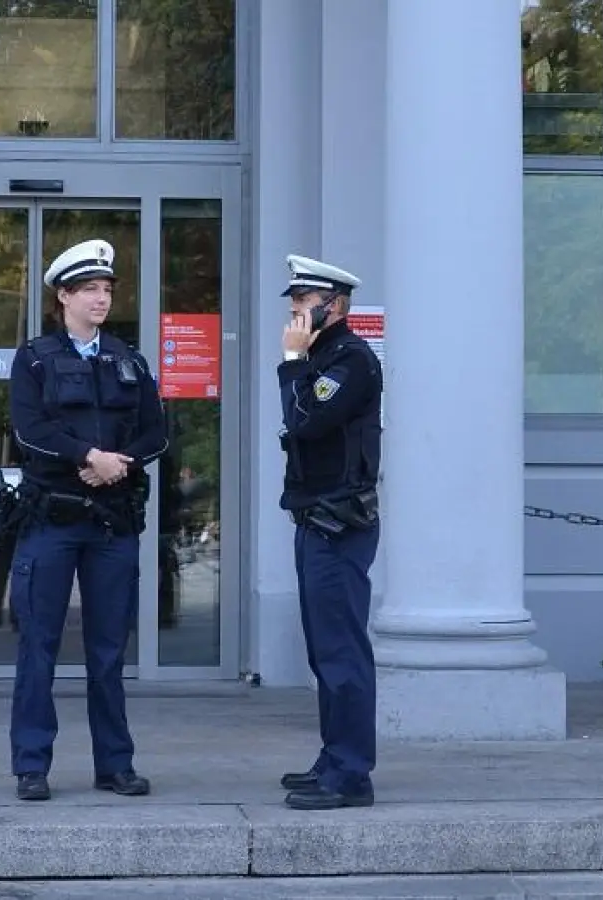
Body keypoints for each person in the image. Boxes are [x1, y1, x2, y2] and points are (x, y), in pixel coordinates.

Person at [5, 238, 167, 802]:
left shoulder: (130, 359)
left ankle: (115, 765)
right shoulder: (32, 358)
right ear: (63, 297)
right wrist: (87, 457)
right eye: (90, 290)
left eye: (106, 290)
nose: (102, 299)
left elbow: (156, 431)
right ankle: (31, 765)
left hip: (111, 524)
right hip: (52, 522)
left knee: (107, 652)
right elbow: (30, 430)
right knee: (39, 648)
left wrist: (117, 463)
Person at [273, 253, 383, 811]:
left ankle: (351, 774)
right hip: (316, 520)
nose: (294, 314)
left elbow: (306, 421)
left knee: (342, 652)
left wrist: (292, 361)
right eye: (293, 305)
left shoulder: (350, 360)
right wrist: (299, 360)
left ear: (332, 306)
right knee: (324, 651)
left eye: (302, 305)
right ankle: (333, 757)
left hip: (340, 524)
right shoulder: (324, 356)